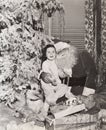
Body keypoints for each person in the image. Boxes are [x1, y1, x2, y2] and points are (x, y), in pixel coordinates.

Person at [40, 44, 75, 119]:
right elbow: (48, 76)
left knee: (65, 87)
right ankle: (43, 115)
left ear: (56, 54)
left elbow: (60, 74)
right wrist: (53, 81)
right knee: (48, 99)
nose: (51, 54)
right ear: (45, 54)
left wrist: (65, 72)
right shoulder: (45, 63)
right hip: (48, 84)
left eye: (53, 52)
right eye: (48, 52)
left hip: (56, 83)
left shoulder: (56, 62)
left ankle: (62, 97)